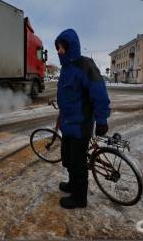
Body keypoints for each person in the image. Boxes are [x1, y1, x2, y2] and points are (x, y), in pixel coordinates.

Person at [55, 29, 110, 209]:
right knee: (69, 159)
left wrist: (102, 119)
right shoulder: (65, 69)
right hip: (68, 124)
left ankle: (80, 198)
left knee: (78, 163)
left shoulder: (85, 66)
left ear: (71, 47)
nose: (59, 51)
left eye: (61, 47)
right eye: (57, 48)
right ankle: (72, 185)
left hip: (81, 125)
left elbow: (99, 92)